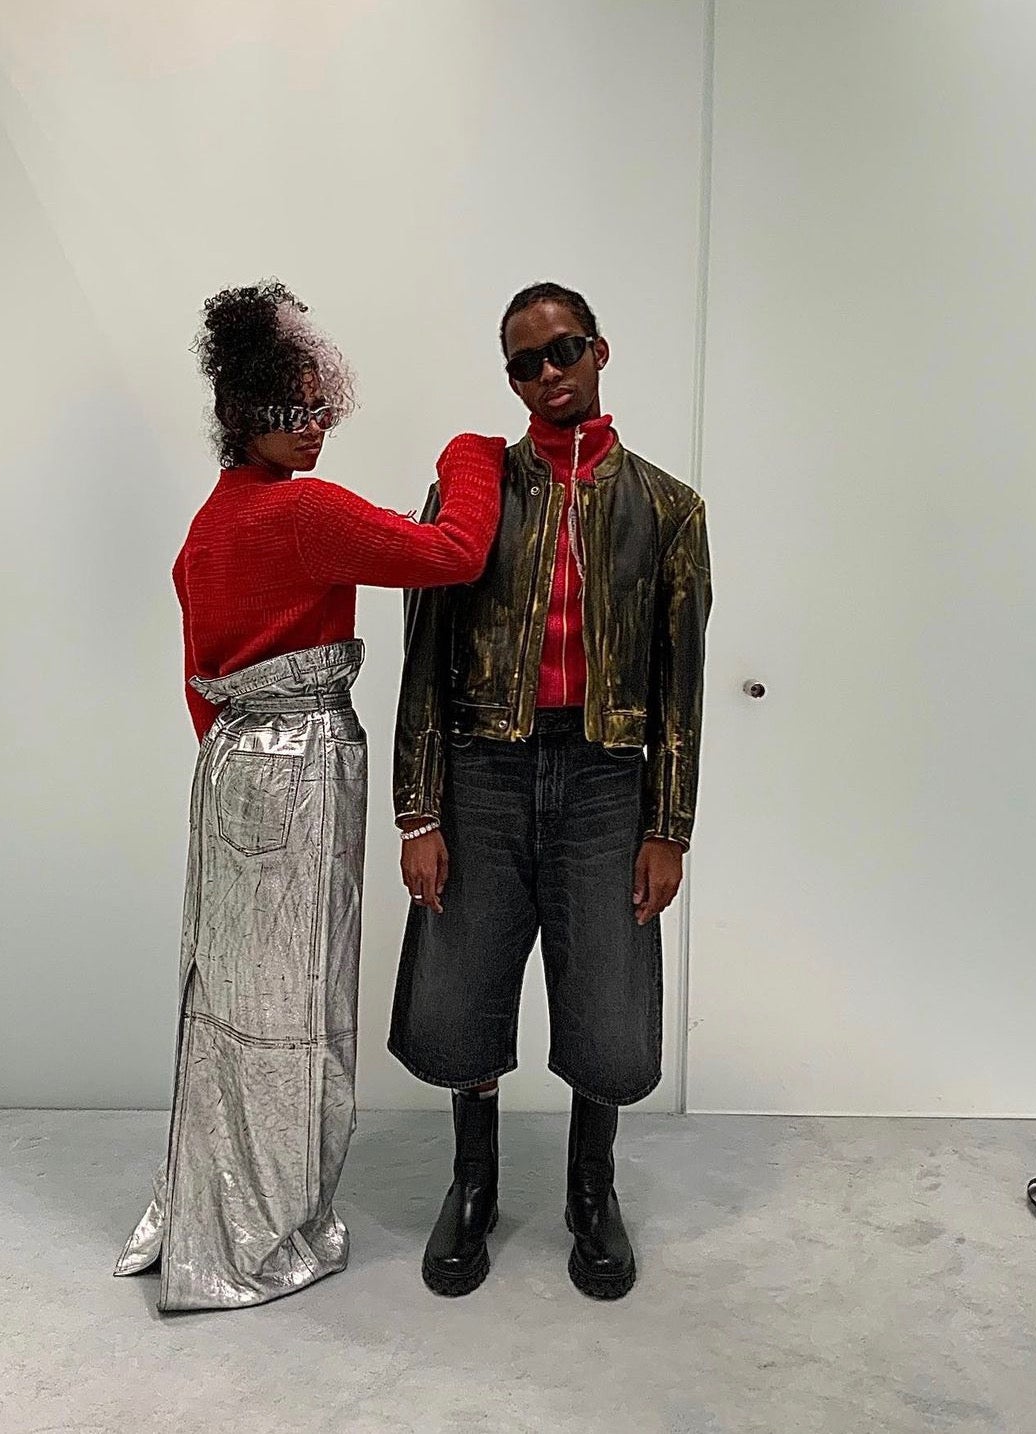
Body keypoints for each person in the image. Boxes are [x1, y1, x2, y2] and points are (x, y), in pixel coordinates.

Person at [115, 281, 504, 1312]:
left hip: (230, 766)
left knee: (232, 994)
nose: (316, 425)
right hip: (302, 767)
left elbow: (201, 678)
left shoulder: (210, 524)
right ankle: (266, 1225)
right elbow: (454, 555)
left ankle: (217, 1201)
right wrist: (471, 455)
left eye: (322, 404)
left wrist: (239, 751)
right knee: (301, 997)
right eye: (294, 408)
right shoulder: (304, 514)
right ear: (244, 414)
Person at [390, 281, 712, 1300]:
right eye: (524, 363)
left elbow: (682, 682)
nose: (547, 373)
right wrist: (419, 809)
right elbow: (424, 654)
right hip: (483, 768)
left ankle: (590, 1190)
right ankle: (473, 1184)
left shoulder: (668, 509)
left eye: (562, 349)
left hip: (607, 779)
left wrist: (669, 827)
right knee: (462, 989)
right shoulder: (473, 495)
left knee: (608, 1006)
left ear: (599, 350)